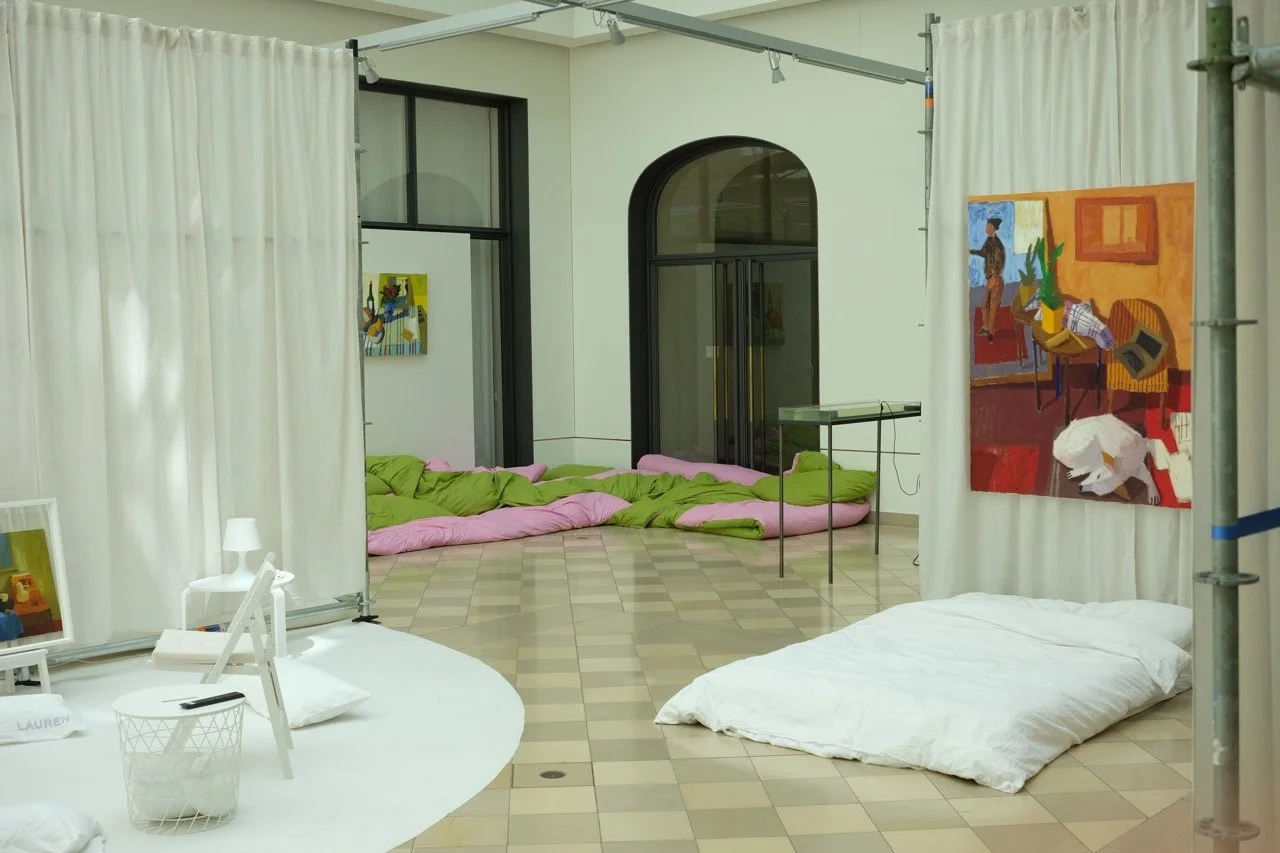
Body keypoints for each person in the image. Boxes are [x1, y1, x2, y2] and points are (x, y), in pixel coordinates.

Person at [970, 217, 1006, 341]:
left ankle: (990, 332)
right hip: (991, 278)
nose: (986, 227)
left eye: (988, 225)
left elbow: (1000, 261)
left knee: (992, 306)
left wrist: (995, 276)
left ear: (993, 228)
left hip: (995, 278)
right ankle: (986, 328)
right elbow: (984, 252)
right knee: (985, 305)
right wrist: (971, 251)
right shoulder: (990, 240)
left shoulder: (996, 244)